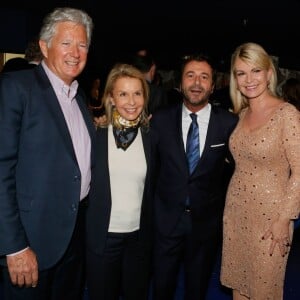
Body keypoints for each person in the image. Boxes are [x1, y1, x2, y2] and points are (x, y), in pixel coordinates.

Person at [0, 7, 95, 300]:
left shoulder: (79, 98)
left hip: (74, 239)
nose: (75, 53)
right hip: (31, 242)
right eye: (66, 43)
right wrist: (14, 247)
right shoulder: (17, 88)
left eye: (82, 45)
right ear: (44, 46)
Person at [151, 53, 238, 300]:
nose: (197, 83)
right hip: (165, 223)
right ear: (180, 82)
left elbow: (237, 173)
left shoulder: (230, 124)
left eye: (204, 77)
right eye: (190, 75)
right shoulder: (159, 120)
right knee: (161, 288)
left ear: (213, 85)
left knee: (197, 289)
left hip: (205, 225)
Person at [220, 42, 300, 300]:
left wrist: (284, 219)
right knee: (239, 286)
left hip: (271, 220)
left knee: (265, 289)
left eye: (255, 71)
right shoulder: (241, 115)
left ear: (269, 73)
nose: (249, 79)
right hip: (236, 213)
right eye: (241, 73)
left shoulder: (287, 114)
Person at [86, 63, 153, 300]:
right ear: (111, 98)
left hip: (138, 240)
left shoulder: (151, 136)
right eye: (123, 94)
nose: (131, 101)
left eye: (137, 93)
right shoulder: (94, 134)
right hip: (103, 239)